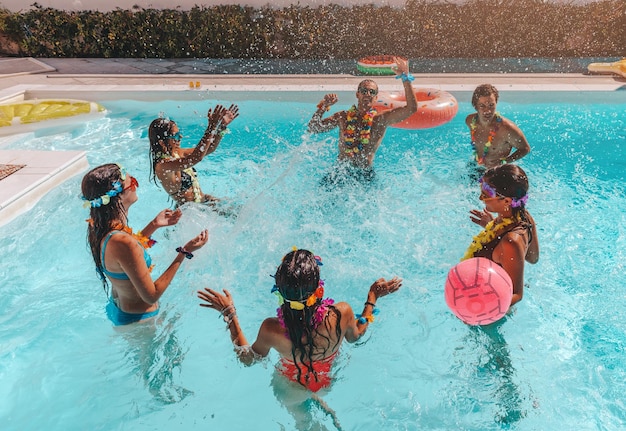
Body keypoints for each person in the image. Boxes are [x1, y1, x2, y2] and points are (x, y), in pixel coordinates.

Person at [197, 249, 401, 392]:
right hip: (329, 379)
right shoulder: (342, 313)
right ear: (319, 289)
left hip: (291, 386)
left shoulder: (271, 329)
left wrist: (230, 314)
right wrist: (372, 297)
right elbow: (357, 334)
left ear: (278, 291)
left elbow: (248, 359)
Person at [82, 163, 209, 325]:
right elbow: (151, 295)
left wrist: (154, 225)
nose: (137, 185)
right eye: (132, 182)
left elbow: (127, 257)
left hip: (123, 309)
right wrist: (184, 252)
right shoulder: (122, 241)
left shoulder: (102, 227)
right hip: (140, 322)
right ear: (118, 196)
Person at [307, 56, 417, 183]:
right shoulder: (342, 117)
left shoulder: (381, 119)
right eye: (364, 91)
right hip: (341, 171)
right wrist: (323, 106)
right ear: (357, 94)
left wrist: (406, 78)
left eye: (372, 92)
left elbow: (411, 108)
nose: (367, 94)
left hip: (364, 175)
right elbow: (313, 128)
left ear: (376, 98)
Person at [462, 164, 539, 306]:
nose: (480, 198)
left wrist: (479, 309)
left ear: (507, 201)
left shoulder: (510, 241)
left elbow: (516, 294)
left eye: (485, 195)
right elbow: (533, 257)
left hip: (487, 312)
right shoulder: (522, 216)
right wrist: (492, 228)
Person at [148, 104, 239, 207]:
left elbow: (209, 148)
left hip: (204, 202)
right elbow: (196, 158)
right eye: (176, 136)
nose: (180, 137)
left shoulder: (178, 153)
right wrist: (211, 127)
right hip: (190, 213)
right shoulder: (163, 166)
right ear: (162, 142)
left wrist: (221, 127)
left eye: (180, 133)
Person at [465, 84, 531, 173]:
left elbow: (525, 149)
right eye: (482, 106)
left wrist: (504, 162)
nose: (487, 110)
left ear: (496, 103)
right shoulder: (470, 121)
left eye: (491, 105)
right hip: (476, 167)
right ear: (475, 106)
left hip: (496, 171)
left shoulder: (506, 129)